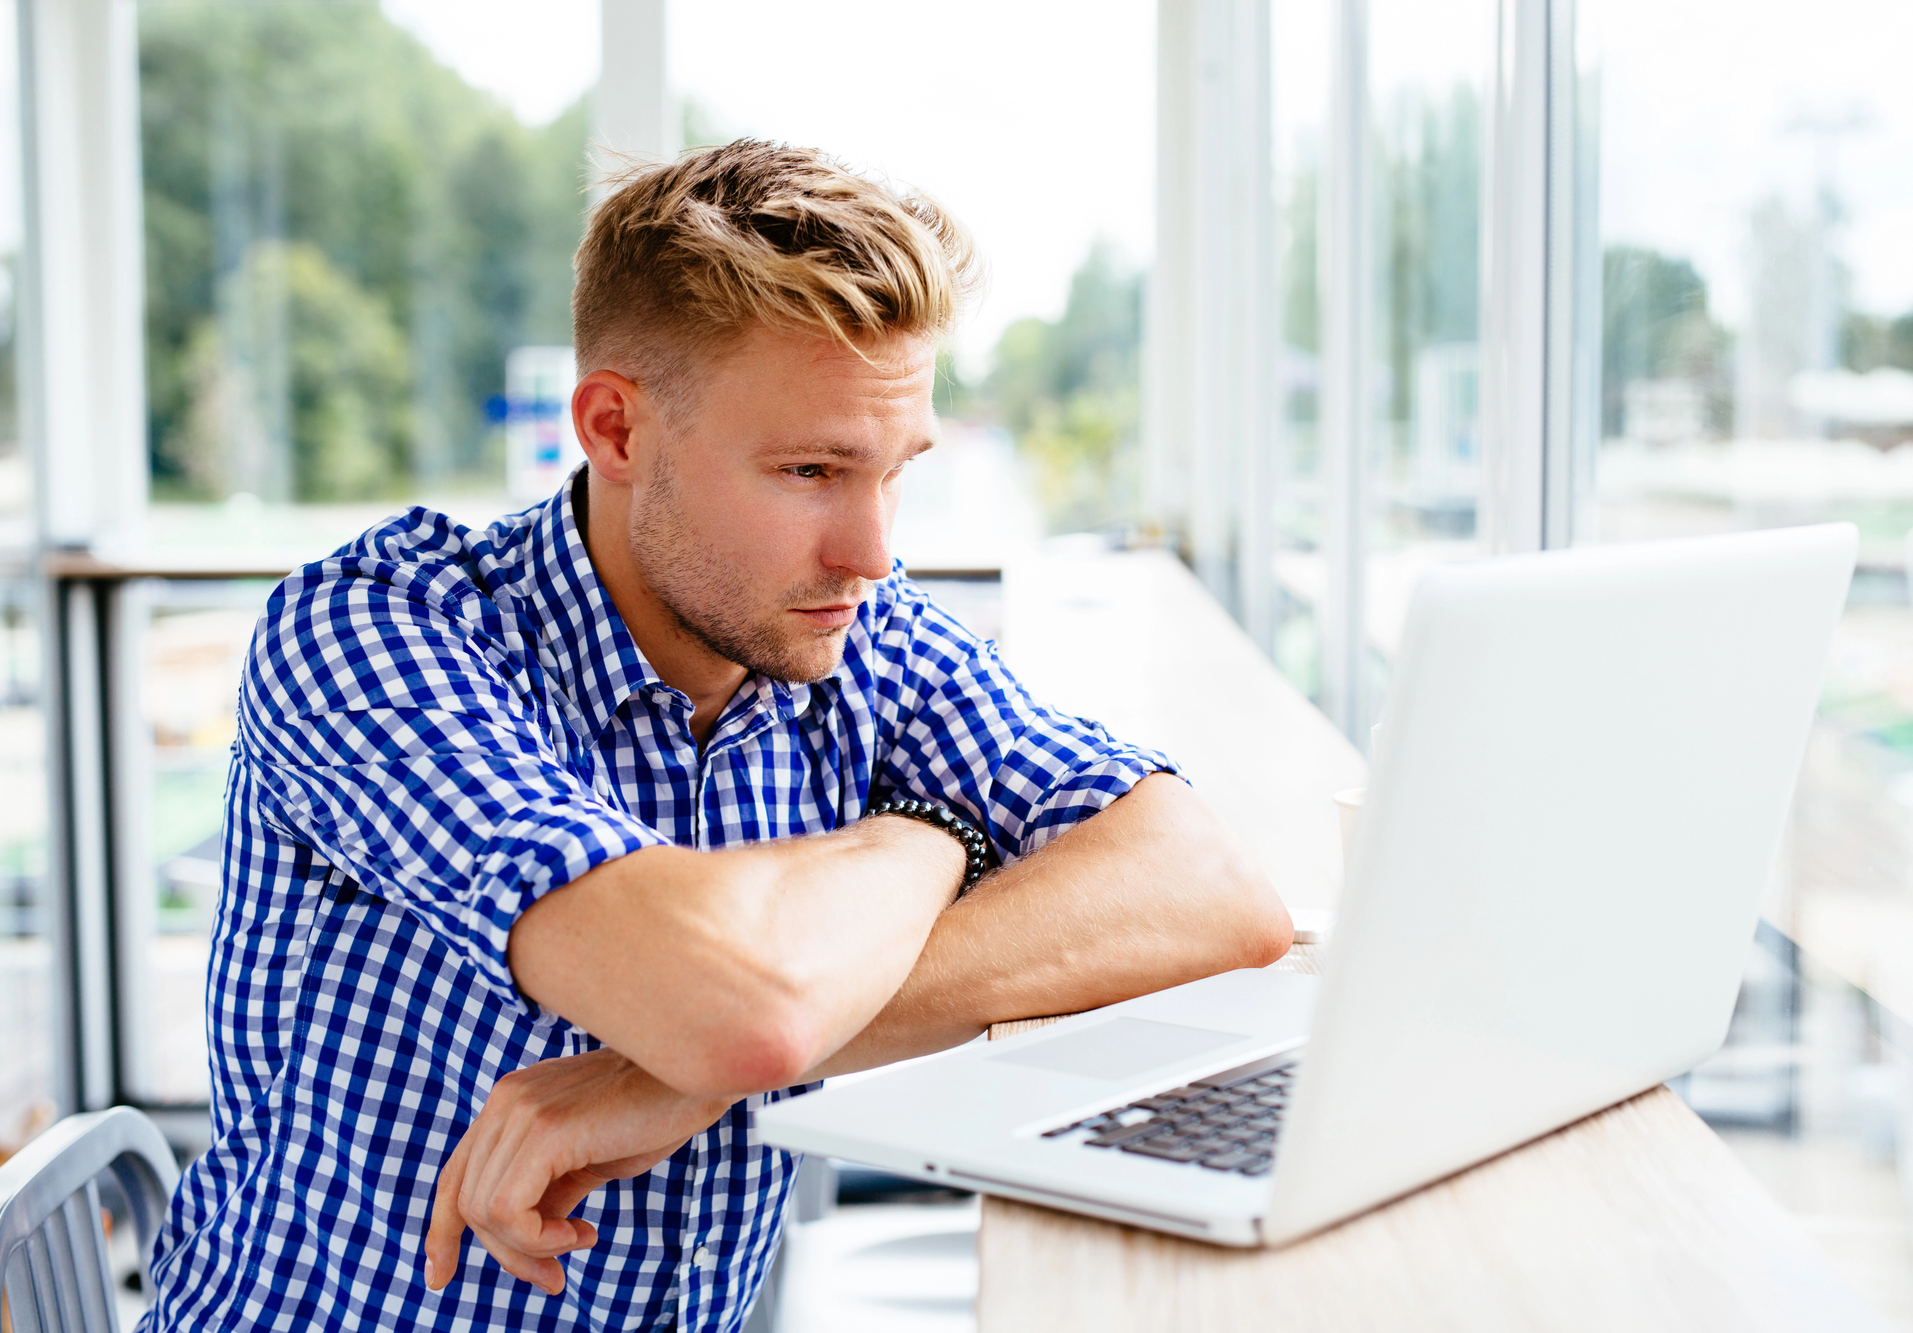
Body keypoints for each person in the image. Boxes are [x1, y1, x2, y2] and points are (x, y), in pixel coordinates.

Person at [144, 140, 1292, 1333]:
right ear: (615, 430)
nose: (873, 551)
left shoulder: (860, 633)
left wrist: (664, 1081)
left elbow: (1210, 890)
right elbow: (734, 1011)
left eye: (895, 473)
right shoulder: (378, 632)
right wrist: (928, 832)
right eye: (809, 470)